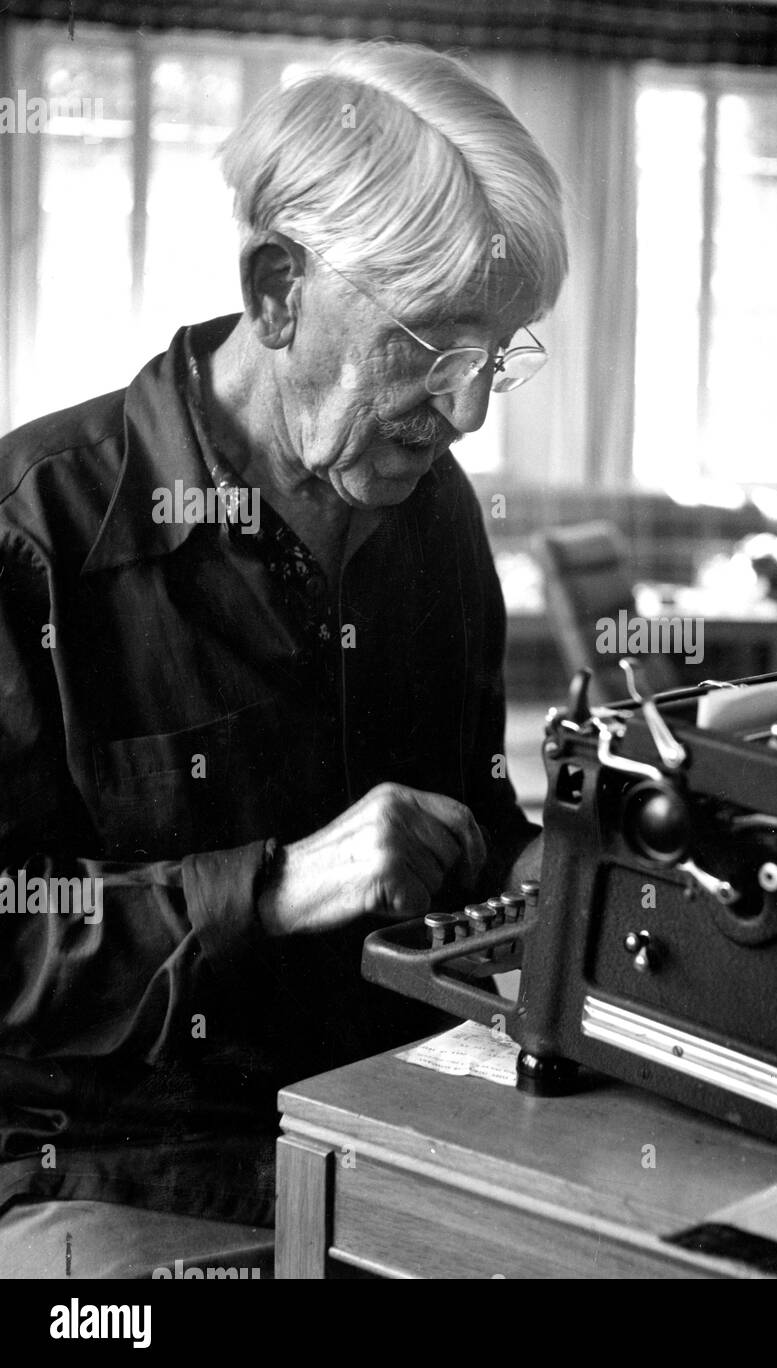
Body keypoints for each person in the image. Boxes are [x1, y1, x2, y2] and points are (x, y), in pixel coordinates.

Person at [0, 41, 565, 1277]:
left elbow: (468, 806)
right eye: (427, 346)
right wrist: (272, 887)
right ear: (276, 292)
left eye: (499, 354)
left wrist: (561, 870)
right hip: (119, 1167)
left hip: (392, 1122)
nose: (468, 413)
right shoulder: (32, 532)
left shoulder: (435, 508)